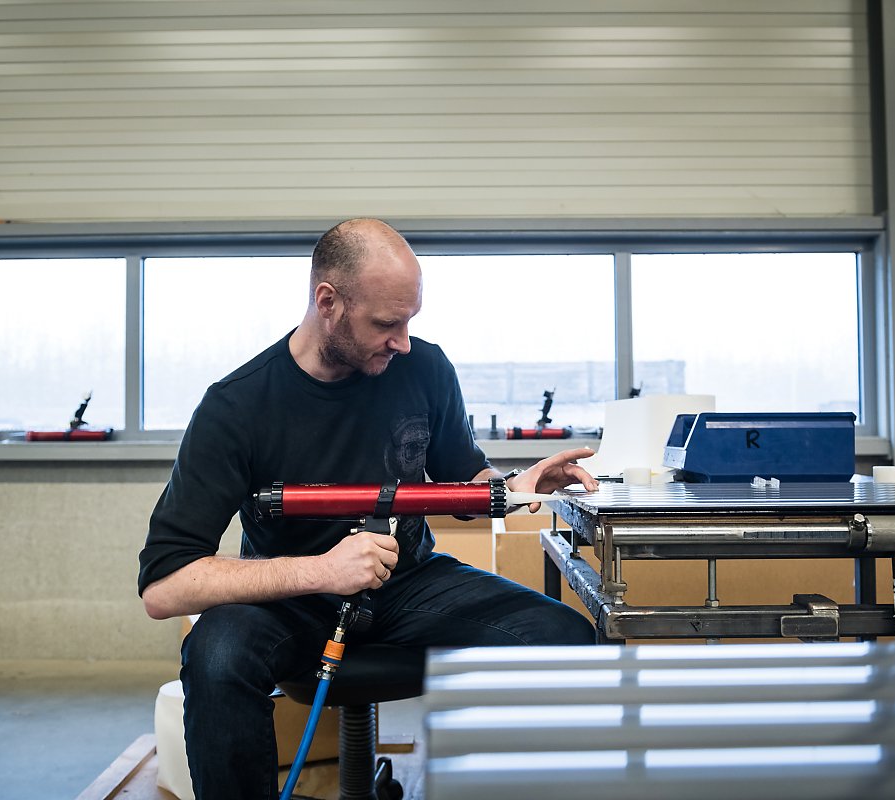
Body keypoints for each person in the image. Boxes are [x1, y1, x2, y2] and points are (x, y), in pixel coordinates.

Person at [138, 217, 599, 799]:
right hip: (290, 600)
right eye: (386, 323)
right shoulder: (237, 407)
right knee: (216, 652)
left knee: (564, 637)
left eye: (409, 321)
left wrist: (518, 487)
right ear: (327, 301)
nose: (402, 341)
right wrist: (324, 571)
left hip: (410, 582)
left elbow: (464, 480)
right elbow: (164, 586)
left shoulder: (423, 367)